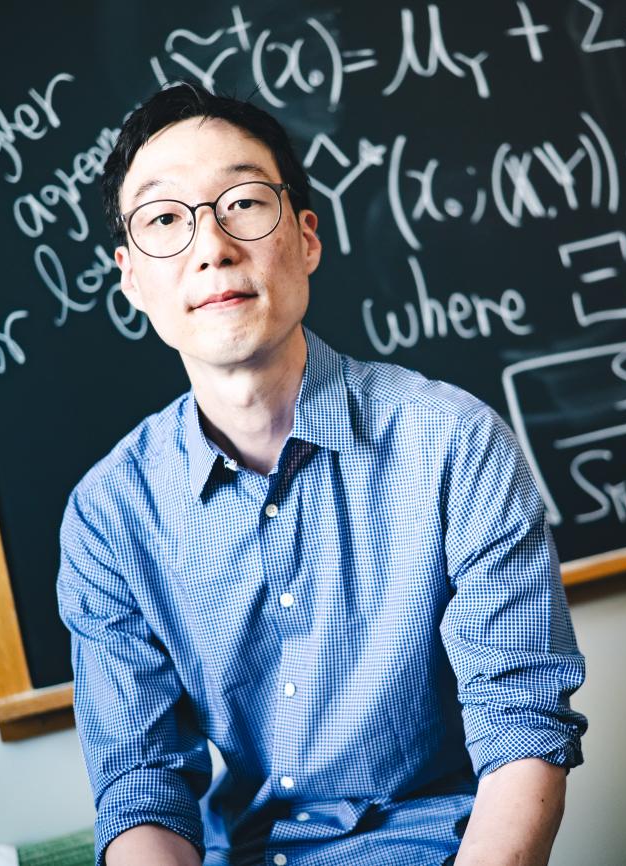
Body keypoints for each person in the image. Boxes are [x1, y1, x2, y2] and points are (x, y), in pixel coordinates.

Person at [57, 83, 587, 866]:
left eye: (241, 202)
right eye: (166, 218)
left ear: (306, 238)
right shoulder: (109, 514)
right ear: (131, 279)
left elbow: (522, 726)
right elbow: (142, 787)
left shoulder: (455, 444)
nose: (211, 247)